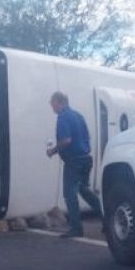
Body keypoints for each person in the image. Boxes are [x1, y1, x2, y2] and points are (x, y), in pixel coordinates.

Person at [46, 91, 102, 238]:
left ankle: (76, 228)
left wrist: (53, 151)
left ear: (59, 102)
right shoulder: (78, 115)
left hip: (74, 161)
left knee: (69, 194)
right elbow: (87, 136)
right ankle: (106, 218)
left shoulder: (63, 117)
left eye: (53, 105)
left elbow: (66, 140)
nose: (52, 108)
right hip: (86, 159)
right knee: (84, 190)